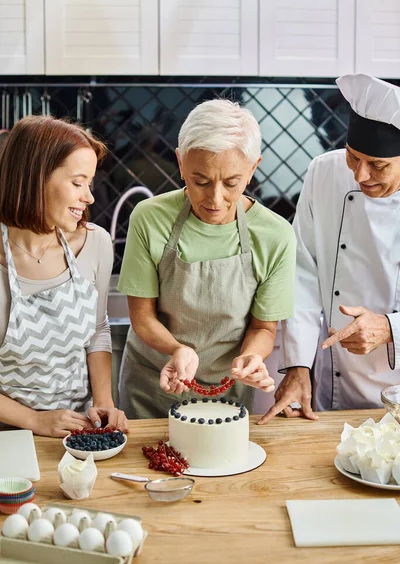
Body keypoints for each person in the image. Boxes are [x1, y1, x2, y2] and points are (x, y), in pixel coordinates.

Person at [117, 99, 296, 418]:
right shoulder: (149, 218)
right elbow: (142, 315)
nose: (215, 198)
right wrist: (176, 349)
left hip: (227, 396)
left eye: (231, 183)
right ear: (181, 162)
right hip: (152, 386)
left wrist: (253, 357)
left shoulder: (275, 235)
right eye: (200, 181)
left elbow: (264, 328)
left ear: (254, 168)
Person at [259, 74, 400, 424]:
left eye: (378, 165)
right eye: (353, 158)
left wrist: (389, 327)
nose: (360, 176)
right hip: (334, 384)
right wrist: (298, 365)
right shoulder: (325, 172)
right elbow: (302, 272)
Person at [0, 116, 128, 436]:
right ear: (34, 178)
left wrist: (104, 401)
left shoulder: (95, 243)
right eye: (77, 182)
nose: (89, 197)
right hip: (9, 434)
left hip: (81, 429)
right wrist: (35, 420)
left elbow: (97, 329)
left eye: (90, 182)